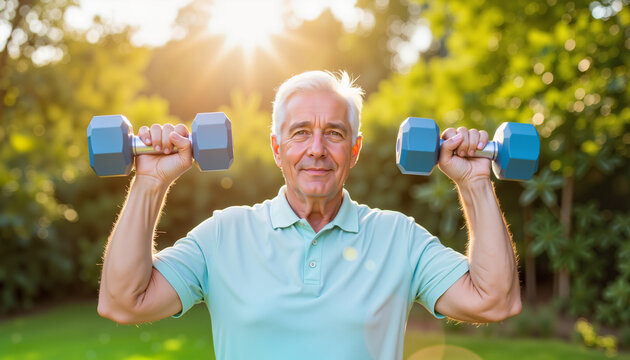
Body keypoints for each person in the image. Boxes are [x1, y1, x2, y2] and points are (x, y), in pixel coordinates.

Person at [97, 70, 521, 359]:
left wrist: (475, 182)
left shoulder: (398, 237)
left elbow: (495, 300)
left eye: (333, 134)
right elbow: (123, 302)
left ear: (353, 150)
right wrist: (150, 182)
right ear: (277, 147)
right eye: (300, 132)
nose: (316, 149)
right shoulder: (224, 234)